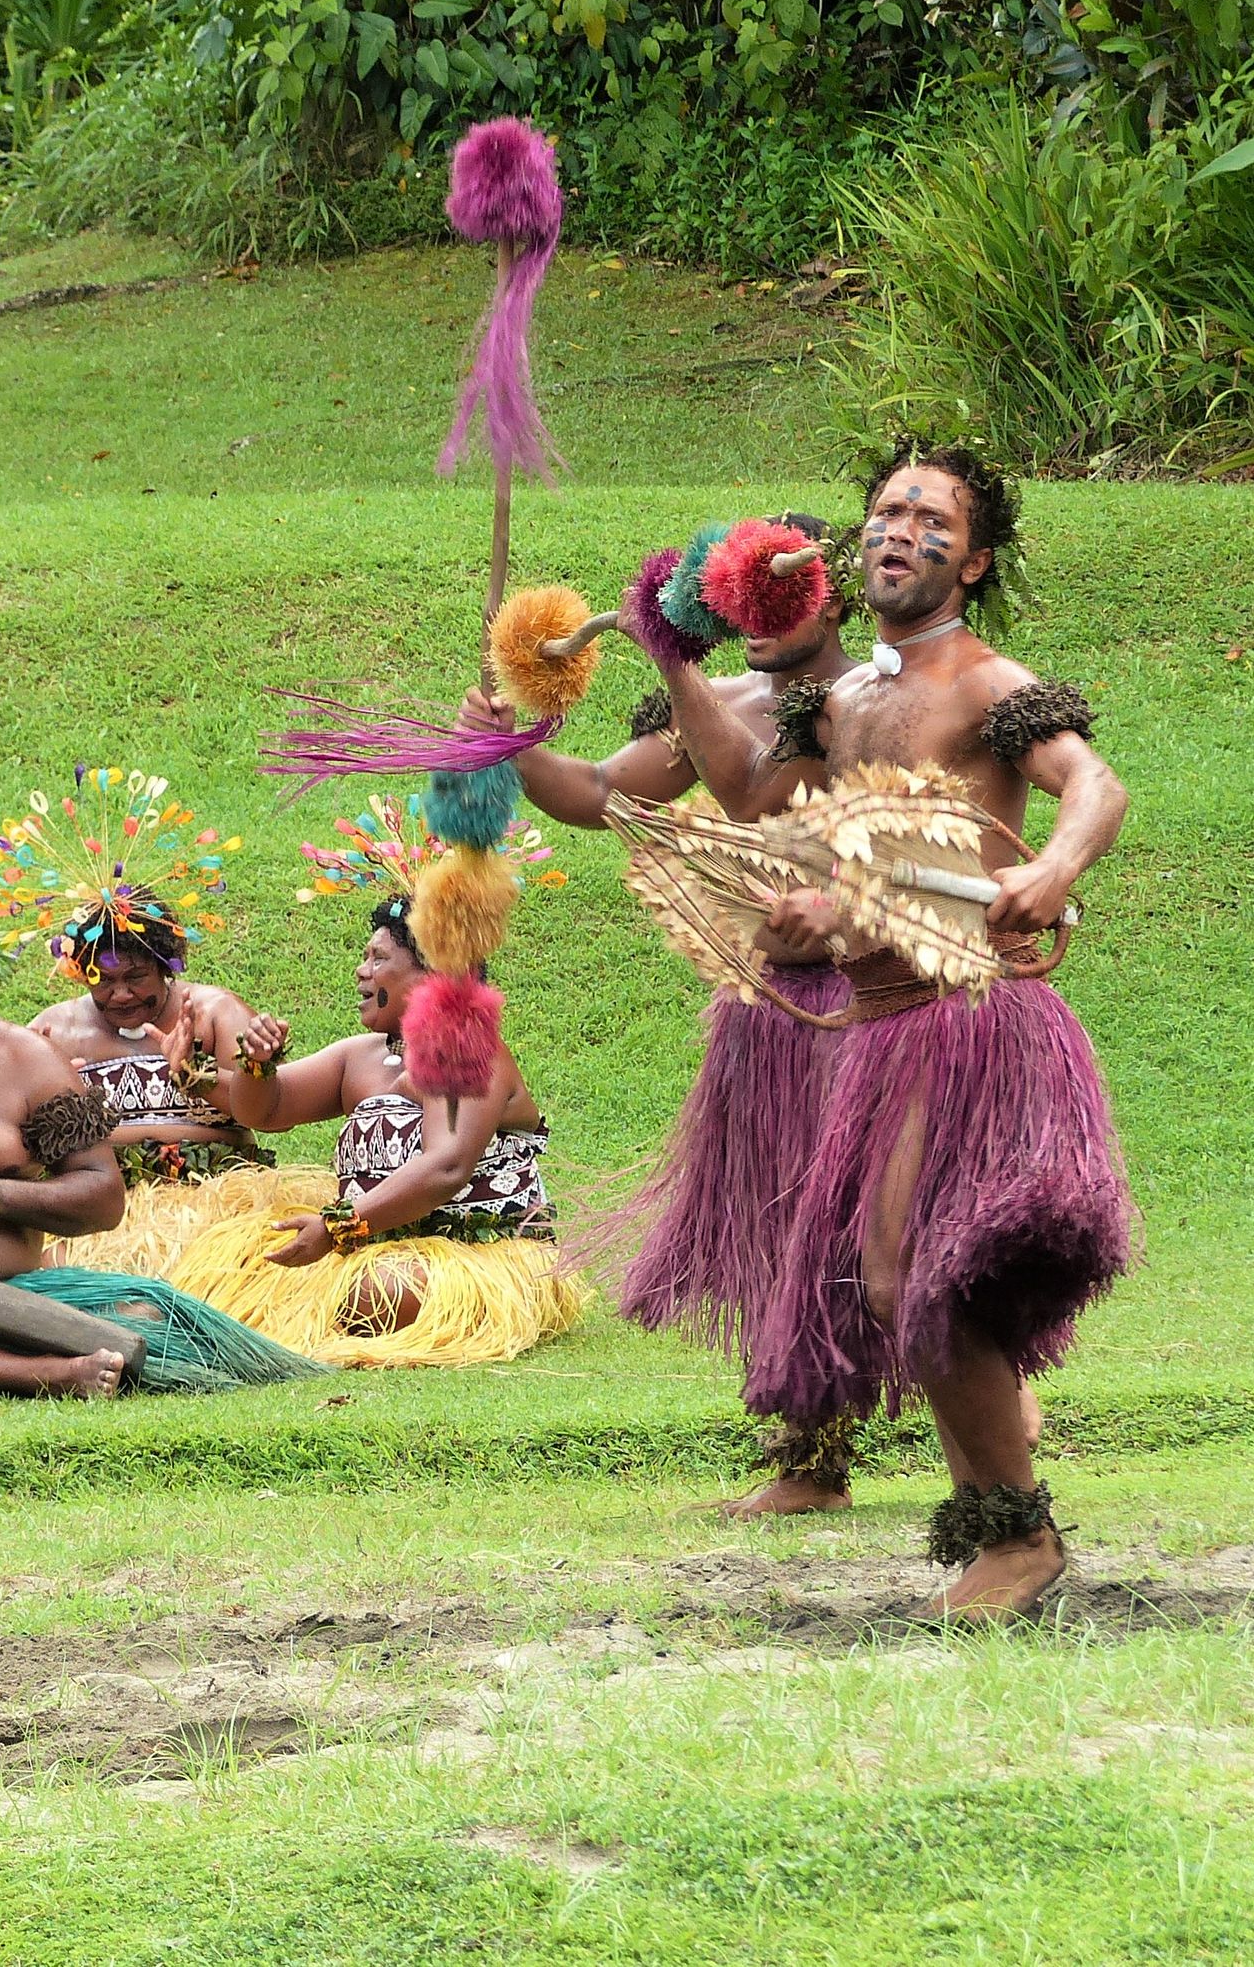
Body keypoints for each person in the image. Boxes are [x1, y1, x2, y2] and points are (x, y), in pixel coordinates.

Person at [641, 441, 1134, 1622]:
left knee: (909, 1273)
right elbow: (756, 804)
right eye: (885, 510)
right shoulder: (841, 699)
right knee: (897, 1285)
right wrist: (676, 667)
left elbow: (1093, 785)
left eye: (931, 517)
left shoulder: (982, 683)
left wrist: (1055, 868)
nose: (898, 529)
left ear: (972, 560)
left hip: (975, 1015)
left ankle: (1021, 1541)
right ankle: (1000, 1531)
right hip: (881, 1023)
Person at [459, 514, 869, 1515]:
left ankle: (988, 1415)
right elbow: (600, 792)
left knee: (891, 1225)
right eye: (735, 607)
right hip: (769, 1008)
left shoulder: (877, 707)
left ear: (832, 597)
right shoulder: (718, 701)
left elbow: (788, 802)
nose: (751, 624)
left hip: (880, 1001)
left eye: (775, 602)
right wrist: (508, 742)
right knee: (784, 1228)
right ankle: (811, 1462)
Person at [0, 926, 322, 1398]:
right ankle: (44, 1373)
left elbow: (104, 1198)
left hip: (12, 1292)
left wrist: (2, 1194)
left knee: (147, 1315)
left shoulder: (32, 1063)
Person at [169, 899, 587, 1367]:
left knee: (372, 1293)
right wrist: (248, 1067)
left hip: (473, 1257)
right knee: (240, 1266)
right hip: (375, 1246)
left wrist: (335, 1227)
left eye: (378, 959)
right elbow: (266, 1110)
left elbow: (447, 1166)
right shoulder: (363, 1056)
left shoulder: (463, 1046)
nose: (361, 971)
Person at [25, 888, 288, 1277]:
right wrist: (53, 1105)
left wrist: (194, 1075)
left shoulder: (215, 1013)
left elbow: (271, 1112)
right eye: (104, 980)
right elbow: (7, 1128)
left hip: (216, 1198)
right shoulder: (54, 1031)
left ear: (166, 965)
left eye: (136, 977)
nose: (121, 994)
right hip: (103, 1202)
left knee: (223, 1271)